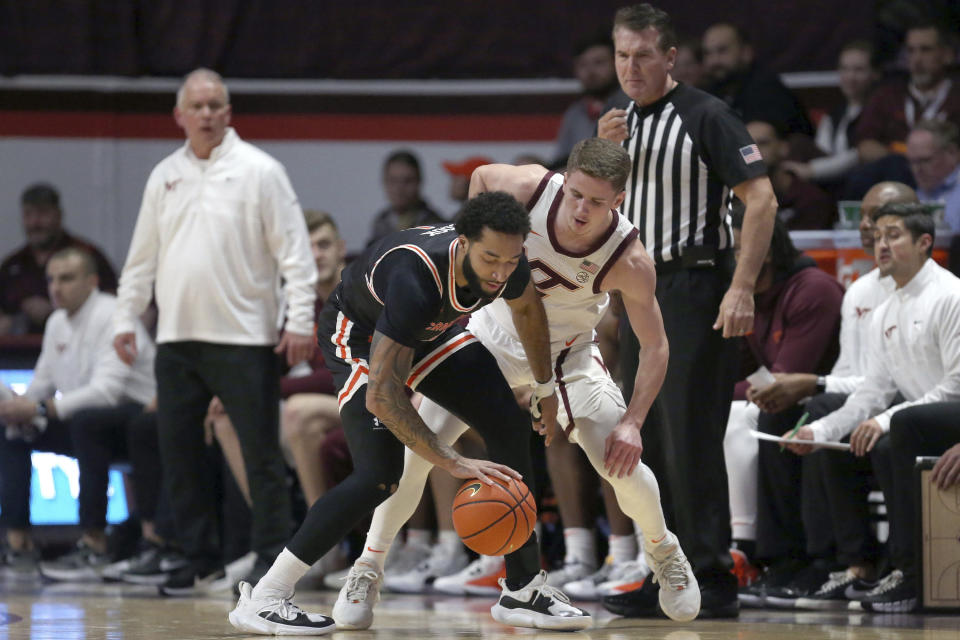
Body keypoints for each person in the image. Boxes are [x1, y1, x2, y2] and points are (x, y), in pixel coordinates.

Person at [334, 137, 700, 627]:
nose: (580, 211)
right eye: (575, 195)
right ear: (563, 182)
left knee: (617, 457)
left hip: (569, 355)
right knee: (415, 453)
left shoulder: (629, 257)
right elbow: (482, 178)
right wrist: (469, 258)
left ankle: (664, 554)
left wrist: (634, 422)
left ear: (619, 201)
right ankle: (368, 566)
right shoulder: (528, 187)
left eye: (596, 202)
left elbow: (656, 347)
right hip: (491, 336)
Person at [230, 192, 592, 634]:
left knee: (508, 424)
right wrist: (451, 459)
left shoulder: (507, 261)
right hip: (360, 338)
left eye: (509, 261)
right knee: (379, 476)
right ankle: (267, 594)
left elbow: (528, 310)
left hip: (427, 334)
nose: (500, 273)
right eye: (489, 260)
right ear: (462, 243)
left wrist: (543, 386)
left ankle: (522, 588)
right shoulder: (414, 278)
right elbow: (382, 396)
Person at [597, 3, 778, 618]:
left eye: (643, 54)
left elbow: (762, 199)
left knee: (689, 439)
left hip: (696, 287)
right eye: (622, 55)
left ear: (670, 57)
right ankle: (667, 574)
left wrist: (742, 286)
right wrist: (600, 151)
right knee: (641, 438)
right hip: (639, 293)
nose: (631, 66)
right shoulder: (619, 126)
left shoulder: (708, 115)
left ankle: (711, 575)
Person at [112, 68, 318, 596]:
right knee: (179, 454)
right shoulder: (163, 175)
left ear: (229, 112)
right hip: (177, 341)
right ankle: (194, 557)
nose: (206, 114)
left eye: (216, 105)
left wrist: (298, 320)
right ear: (179, 115)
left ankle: (273, 557)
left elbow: (294, 253)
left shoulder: (261, 171)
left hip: (246, 339)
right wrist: (123, 318)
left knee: (260, 455)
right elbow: (141, 258)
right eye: (197, 106)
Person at [785, 202, 960, 612]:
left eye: (894, 235)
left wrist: (884, 419)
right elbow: (871, 392)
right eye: (878, 236)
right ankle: (860, 564)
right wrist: (819, 432)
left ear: (924, 243)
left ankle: (912, 572)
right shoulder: (883, 312)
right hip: (917, 421)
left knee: (897, 428)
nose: (881, 244)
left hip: (951, 415)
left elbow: (955, 386)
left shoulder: (951, 296)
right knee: (851, 439)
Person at [0, 248, 157, 579]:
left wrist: (40, 408)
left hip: (141, 421)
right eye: (51, 279)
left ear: (92, 281)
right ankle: (19, 545)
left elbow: (107, 392)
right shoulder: (57, 322)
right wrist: (18, 407)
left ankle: (94, 544)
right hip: (89, 424)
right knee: (13, 428)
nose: (55, 287)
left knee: (89, 422)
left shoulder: (114, 316)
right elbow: (41, 384)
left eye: (66, 278)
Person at [846, 23, 960, 198]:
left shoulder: (955, 97)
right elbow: (865, 146)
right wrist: (913, 158)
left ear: (947, 55)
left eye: (925, 50)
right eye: (911, 51)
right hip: (895, 181)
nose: (917, 59)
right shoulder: (887, 95)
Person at [0, 183, 117, 335]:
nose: (35, 223)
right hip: (16, 352)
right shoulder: (12, 264)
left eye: (43, 214)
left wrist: (57, 309)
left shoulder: (87, 255)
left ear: (58, 215)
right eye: (28, 215)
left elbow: (111, 304)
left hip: (79, 343)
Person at [781, 41, 880, 189]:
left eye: (859, 70)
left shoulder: (880, 112)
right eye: (845, 69)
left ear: (874, 74)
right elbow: (822, 154)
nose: (850, 77)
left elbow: (859, 156)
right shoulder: (833, 116)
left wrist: (810, 170)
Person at [700, 22, 813, 137]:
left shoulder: (769, 92)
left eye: (722, 51)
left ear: (746, 53)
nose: (713, 61)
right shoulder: (707, 93)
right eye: (707, 53)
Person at [746, 119, 837, 230]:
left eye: (763, 143)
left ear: (783, 148)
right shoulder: (731, 198)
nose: (754, 151)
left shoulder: (811, 200)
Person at [553, 32, 626, 164]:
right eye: (583, 65)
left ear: (617, 65)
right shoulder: (575, 113)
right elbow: (563, 161)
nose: (591, 71)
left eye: (599, 63)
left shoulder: (635, 107)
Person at [366, 150, 446, 246]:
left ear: (419, 182)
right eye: (393, 180)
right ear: (384, 182)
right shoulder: (381, 223)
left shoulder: (435, 226)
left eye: (407, 181)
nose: (399, 188)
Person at [907, 119, 960, 231]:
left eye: (925, 160)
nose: (917, 170)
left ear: (952, 153)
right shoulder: (911, 197)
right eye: (912, 162)